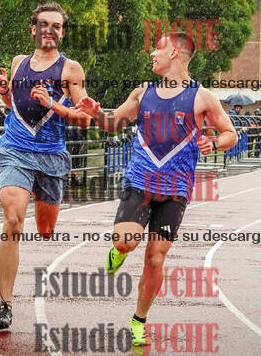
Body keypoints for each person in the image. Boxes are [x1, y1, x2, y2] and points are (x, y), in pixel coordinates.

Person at [75, 32, 237, 346]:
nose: (152, 53)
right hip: (140, 181)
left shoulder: (203, 97)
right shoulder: (142, 93)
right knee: (125, 242)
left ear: (174, 52)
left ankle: (139, 320)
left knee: (155, 258)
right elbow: (113, 122)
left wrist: (215, 142)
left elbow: (230, 133)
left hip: (176, 190)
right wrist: (96, 112)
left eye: (158, 48)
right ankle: (118, 252)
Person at [0, 2, 91, 330]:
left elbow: (85, 119)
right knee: (13, 220)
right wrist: (4, 93)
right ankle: (5, 303)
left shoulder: (70, 70)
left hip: (51, 156)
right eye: (43, 24)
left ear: (62, 33)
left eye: (56, 26)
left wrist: (53, 104)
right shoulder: (18, 62)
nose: (49, 30)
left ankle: (38, 196)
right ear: (33, 29)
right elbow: (15, 106)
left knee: (46, 231)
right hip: (15, 149)